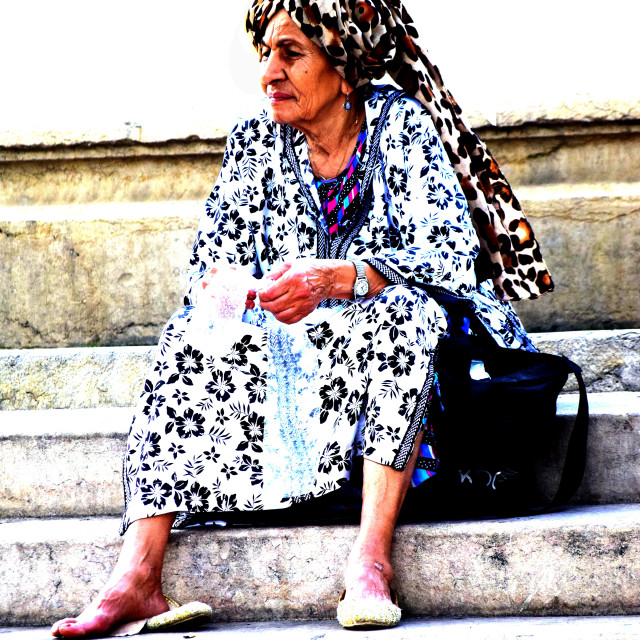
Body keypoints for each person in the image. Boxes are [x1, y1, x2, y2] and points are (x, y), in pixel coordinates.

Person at [51, 0, 553, 635]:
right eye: (265, 54)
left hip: (417, 337)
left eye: (291, 54)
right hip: (305, 338)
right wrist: (248, 289)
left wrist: (343, 277)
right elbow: (210, 266)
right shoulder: (257, 137)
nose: (270, 73)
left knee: (404, 315)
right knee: (187, 336)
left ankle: (370, 559)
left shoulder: (401, 128)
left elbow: (452, 256)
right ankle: (137, 577)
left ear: (343, 69)